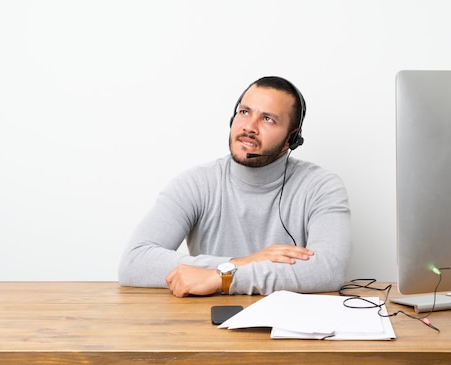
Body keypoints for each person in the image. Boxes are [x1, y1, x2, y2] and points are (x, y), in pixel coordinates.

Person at [118, 76, 352, 297]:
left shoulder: (322, 187)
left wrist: (224, 278)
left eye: (267, 119)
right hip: (206, 325)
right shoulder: (195, 183)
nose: (249, 126)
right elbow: (134, 262)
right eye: (244, 112)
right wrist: (240, 262)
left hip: (288, 330)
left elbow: (328, 270)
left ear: (292, 140)